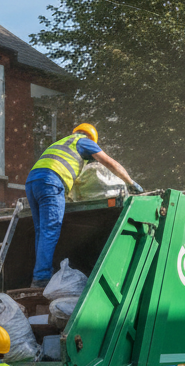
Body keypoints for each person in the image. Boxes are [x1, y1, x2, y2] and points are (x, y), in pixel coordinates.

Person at [25, 123, 142, 288]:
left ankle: (38, 276)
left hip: (32, 182)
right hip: (51, 181)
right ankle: (42, 278)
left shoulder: (60, 143)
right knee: (51, 228)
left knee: (41, 230)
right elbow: (110, 163)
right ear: (91, 138)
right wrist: (130, 182)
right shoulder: (84, 141)